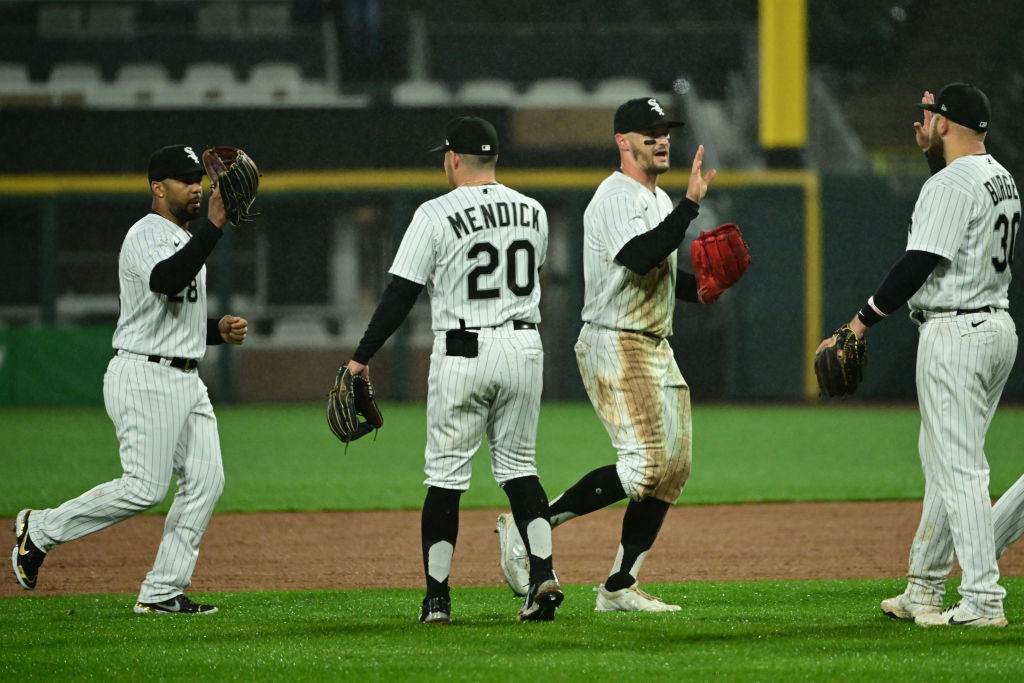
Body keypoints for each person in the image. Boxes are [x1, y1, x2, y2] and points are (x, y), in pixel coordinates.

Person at [497, 96, 720, 611]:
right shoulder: (616, 195)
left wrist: (703, 288)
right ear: (623, 141)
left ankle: (619, 586)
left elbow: (660, 277)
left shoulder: (657, 200)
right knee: (644, 465)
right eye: (649, 133)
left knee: (672, 468)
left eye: (666, 132)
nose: (662, 141)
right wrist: (689, 207)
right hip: (615, 339)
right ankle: (530, 525)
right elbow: (640, 257)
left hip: (652, 341)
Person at [11, 144, 248, 615]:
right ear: (157, 188)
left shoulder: (185, 239)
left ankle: (162, 591)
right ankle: (40, 529)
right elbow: (166, 281)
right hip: (145, 376)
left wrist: (214, 332)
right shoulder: (146, 234)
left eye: (198, 179)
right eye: (184, 180)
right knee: (144, 487)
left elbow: (167, 316)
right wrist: (215, 227)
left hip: (185, 378)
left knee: (206, 480)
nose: (196, 187)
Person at [817, 83, 1020, 628]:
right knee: (944, 463)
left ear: (945, 122)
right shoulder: (999, 176)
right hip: (994, 326)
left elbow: (918, 262)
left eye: (927, 115)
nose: (920, 124)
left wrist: (858, 323)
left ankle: (983, 600)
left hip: (956, 332)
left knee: (960, 469)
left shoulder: (950, 183)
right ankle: (924, 587)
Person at [345, 116, 563, 624]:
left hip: (464, 349)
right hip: (524, 347)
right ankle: (542, 574)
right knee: (520, 470)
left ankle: (437, 599)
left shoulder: (434, 213)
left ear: (452, 159)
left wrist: (361, 356)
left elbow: (401, 293)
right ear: (495, 158)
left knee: (445, 478)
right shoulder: (534, 211)